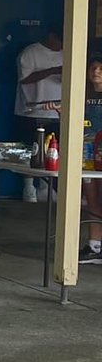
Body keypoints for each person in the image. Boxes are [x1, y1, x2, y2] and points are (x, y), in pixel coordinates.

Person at [15, 25, 63, 203]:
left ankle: (46, 187)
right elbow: (24, 78)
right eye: (59, 41)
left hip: (58, 111)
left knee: (53, 151)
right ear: (51, 36)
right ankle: (29, 187)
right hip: (31, 111)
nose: (61, 45)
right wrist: (53, 70)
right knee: (31, 151)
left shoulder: (67, 53)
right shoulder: (31, 52)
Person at [82, 51, 102, 263]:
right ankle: (95, 246)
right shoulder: (82, 93)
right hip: (86, 150)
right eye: (93, 67)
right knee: (91, 198)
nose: (96, 71)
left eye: (101, 68)